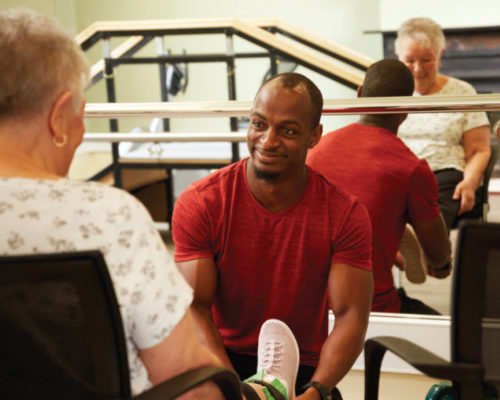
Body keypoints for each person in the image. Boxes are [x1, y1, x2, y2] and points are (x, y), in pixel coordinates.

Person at [0, 8, 299, 400]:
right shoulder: (109, 218)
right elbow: (186, 379)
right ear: (58, 116)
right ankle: (268, 392)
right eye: (80, 113)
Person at [172, 72, 374, 399]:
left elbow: (351, 316)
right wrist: (232, 390)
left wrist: (316, 391)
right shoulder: (202, 202)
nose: (268, 141)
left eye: (288, 130)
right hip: (222, 361)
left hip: (304, 368)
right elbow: (196, 309)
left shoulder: (344, 213)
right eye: (259, 124)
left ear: (314, 136)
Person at [307, 59, 451, 314]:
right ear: (408, 108)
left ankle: (390, 243)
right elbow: (438, 256)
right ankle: (394, 240)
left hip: (308, 308)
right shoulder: (411, 168)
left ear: (361, 94)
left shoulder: (314, 151)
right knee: (446, 332)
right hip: (370, 309)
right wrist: (440, 262)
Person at [395, 17, 491, 231]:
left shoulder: (462, 93)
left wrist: (470, 183)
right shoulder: (391, 92)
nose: (418, 69)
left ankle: (430, 258)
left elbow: (479, 150)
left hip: (444, 174)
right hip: (398, 173)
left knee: (430, 223)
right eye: (410, 60)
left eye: (427, 60)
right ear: (397, 57)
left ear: (440, 55)